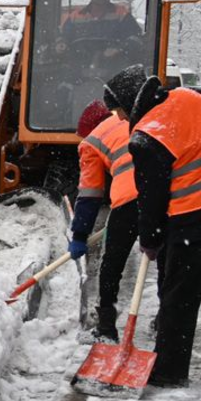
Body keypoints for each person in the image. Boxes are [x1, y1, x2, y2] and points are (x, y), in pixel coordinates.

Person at [104, 65, 201, 390]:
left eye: (117, 110)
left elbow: (152, 197)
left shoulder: (146, 136)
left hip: (196, 221)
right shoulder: (189, 97)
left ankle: (169, 372)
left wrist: (150, 238)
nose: (118, 119)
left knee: (179, 299)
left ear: (130, 102)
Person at [68, 98, 138, 343]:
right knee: (164, 260)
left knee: (112, 265)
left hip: (129, 198)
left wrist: (79, 236)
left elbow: (89, 195)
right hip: (163, 194)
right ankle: (164, 320)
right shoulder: (132, 119)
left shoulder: (92, 142)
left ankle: (106, 327)